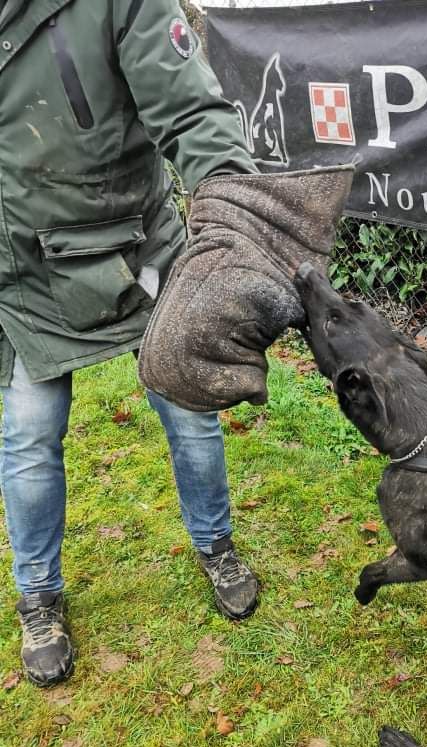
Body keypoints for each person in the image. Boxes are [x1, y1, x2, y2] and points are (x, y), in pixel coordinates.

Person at [0, 0, 261, 688]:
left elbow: (191, 112)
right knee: (28, 433)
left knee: (187, 404)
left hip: (135, 250)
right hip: (21, 270)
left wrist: (232, 209)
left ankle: (216, 545)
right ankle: (39, 596)